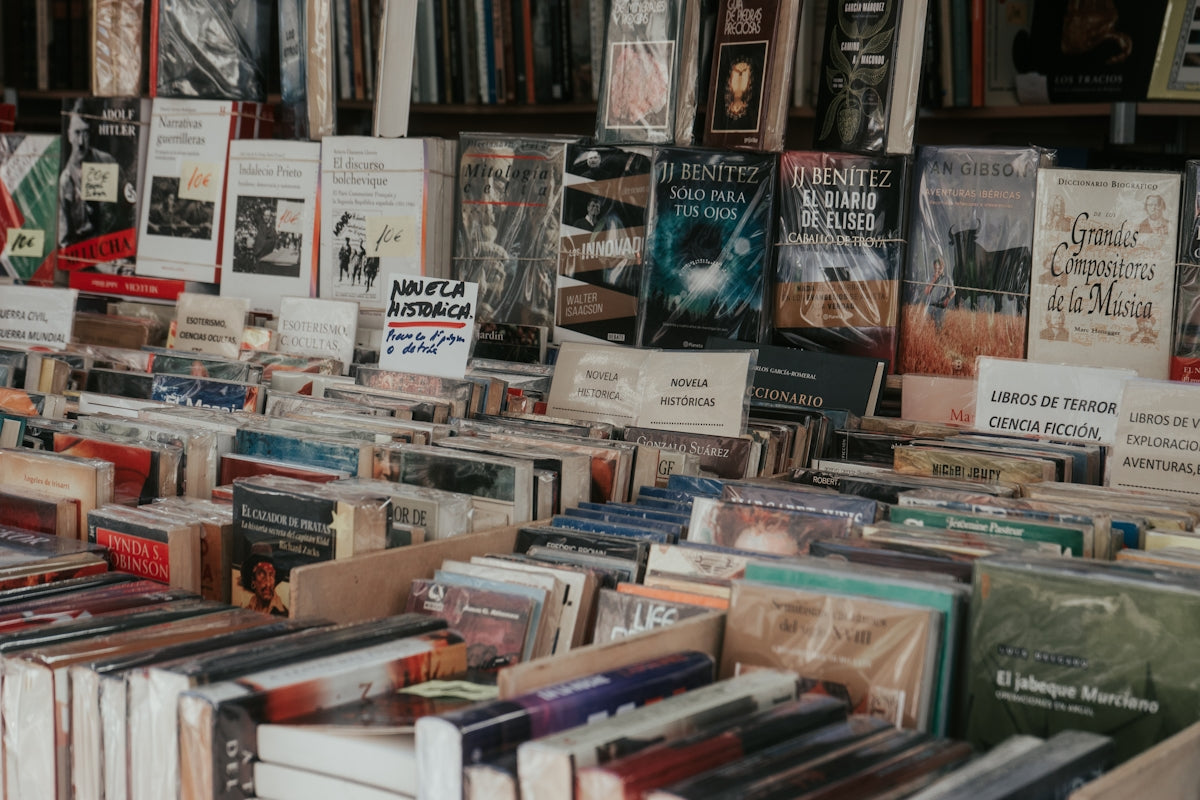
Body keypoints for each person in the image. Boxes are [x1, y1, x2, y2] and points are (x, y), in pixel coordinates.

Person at [59, 102, 120, 249]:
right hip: (82, 255)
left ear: (91, 134)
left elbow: (124, 210)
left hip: (112, 247)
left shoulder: (107, 162)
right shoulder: (65, 180)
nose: (80, 142)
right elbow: (64, 241)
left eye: (85, 133)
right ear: (68, 134)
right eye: (77, 133)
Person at [923, 257, 956, 331]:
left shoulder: (947, 278)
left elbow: (954, 292)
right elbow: (926, 292)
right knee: (926, 329)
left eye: (939, 268)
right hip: (930, 306)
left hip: (940, 308)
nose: (937, 270)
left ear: (943, 267)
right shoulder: (931, 277)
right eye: (935, 268)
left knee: (938, 329)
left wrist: (948, 299)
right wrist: (933, 280)